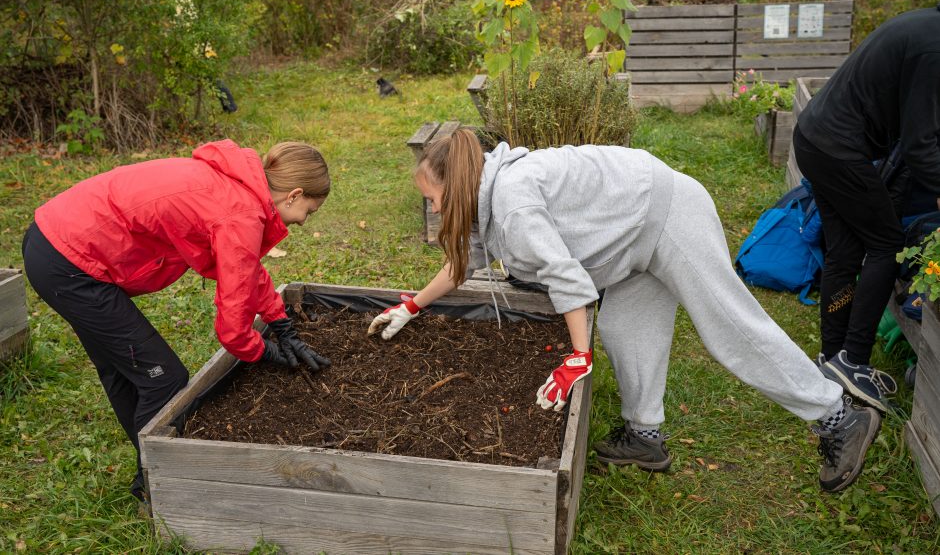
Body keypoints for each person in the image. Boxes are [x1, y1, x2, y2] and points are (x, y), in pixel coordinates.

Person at [368, 128, 881, 493]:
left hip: (666, 215)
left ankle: (837, 416)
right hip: (630, 243)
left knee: (731, 330)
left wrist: (576, 358)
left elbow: (567, 278)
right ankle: (645, 437)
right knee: (625, 330)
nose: (433, 210)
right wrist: (410, 306)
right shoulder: (490, 201)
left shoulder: (514, 200)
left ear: (455, 186)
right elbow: (464, 267)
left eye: (432, 198)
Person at [21, 139, 332, 502]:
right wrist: (267, 353)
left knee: (124, 369)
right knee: (164, 378)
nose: (303, 221)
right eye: (309, 211)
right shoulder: (240, 214)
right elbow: (232, 331)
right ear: (294, 195)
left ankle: (150, 470)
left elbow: (243, 267)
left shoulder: (239, 185)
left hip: (53, 240)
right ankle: (157, 487)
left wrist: (282, 324)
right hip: (72, 264)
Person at [793, 4, 940, 412]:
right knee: (887, 244)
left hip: (813, 138)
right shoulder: (934, 49)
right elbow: (918, 144)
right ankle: (854, 359)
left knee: (845, 249)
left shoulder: (924, 26)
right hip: (839, 149)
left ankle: (832, 357)